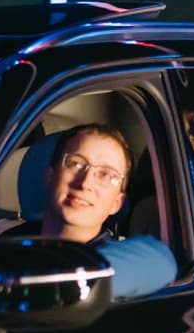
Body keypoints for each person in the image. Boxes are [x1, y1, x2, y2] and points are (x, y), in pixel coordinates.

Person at [30, 123, 177, 300]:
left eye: (106, 175)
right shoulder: (8, 242)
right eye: (76, 164)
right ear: (49, 176)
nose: (85, 183)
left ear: (117, 203)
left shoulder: (128, 261)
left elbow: (161, 262)